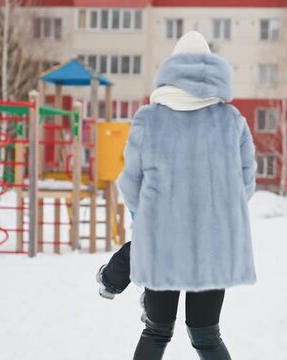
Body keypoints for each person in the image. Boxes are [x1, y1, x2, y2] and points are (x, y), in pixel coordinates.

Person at [99, 30, 257, 360]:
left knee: (156, 331)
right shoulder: (231, 121)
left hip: (162, 243)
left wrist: (147, 220)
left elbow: (130, 183)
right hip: (213, 246)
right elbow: (245, 183)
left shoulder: (149, 119)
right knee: (206, 335)